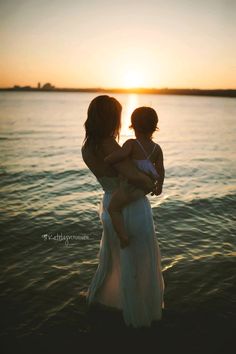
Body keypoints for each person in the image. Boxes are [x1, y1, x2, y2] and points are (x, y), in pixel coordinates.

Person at [82, 95, 164, 327]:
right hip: (131, 208)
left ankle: (110, 304)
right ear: (111, 118)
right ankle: (139, 316)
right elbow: (136, 178)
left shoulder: (88, 147)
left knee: (117, 261)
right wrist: (151, 182)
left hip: (111, 204)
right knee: (138, 262)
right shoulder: (109, 145)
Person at [104, 106, 165, 249]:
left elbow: (120, 155)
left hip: (130, 186)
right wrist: (160, 186)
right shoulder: (157, 149)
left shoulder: (132, 144)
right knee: (118, 206)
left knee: (113, 208)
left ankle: (123, 237)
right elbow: (160, 169)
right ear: (155, 127)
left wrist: (108, 159)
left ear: (133, 126)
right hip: (143, 189)